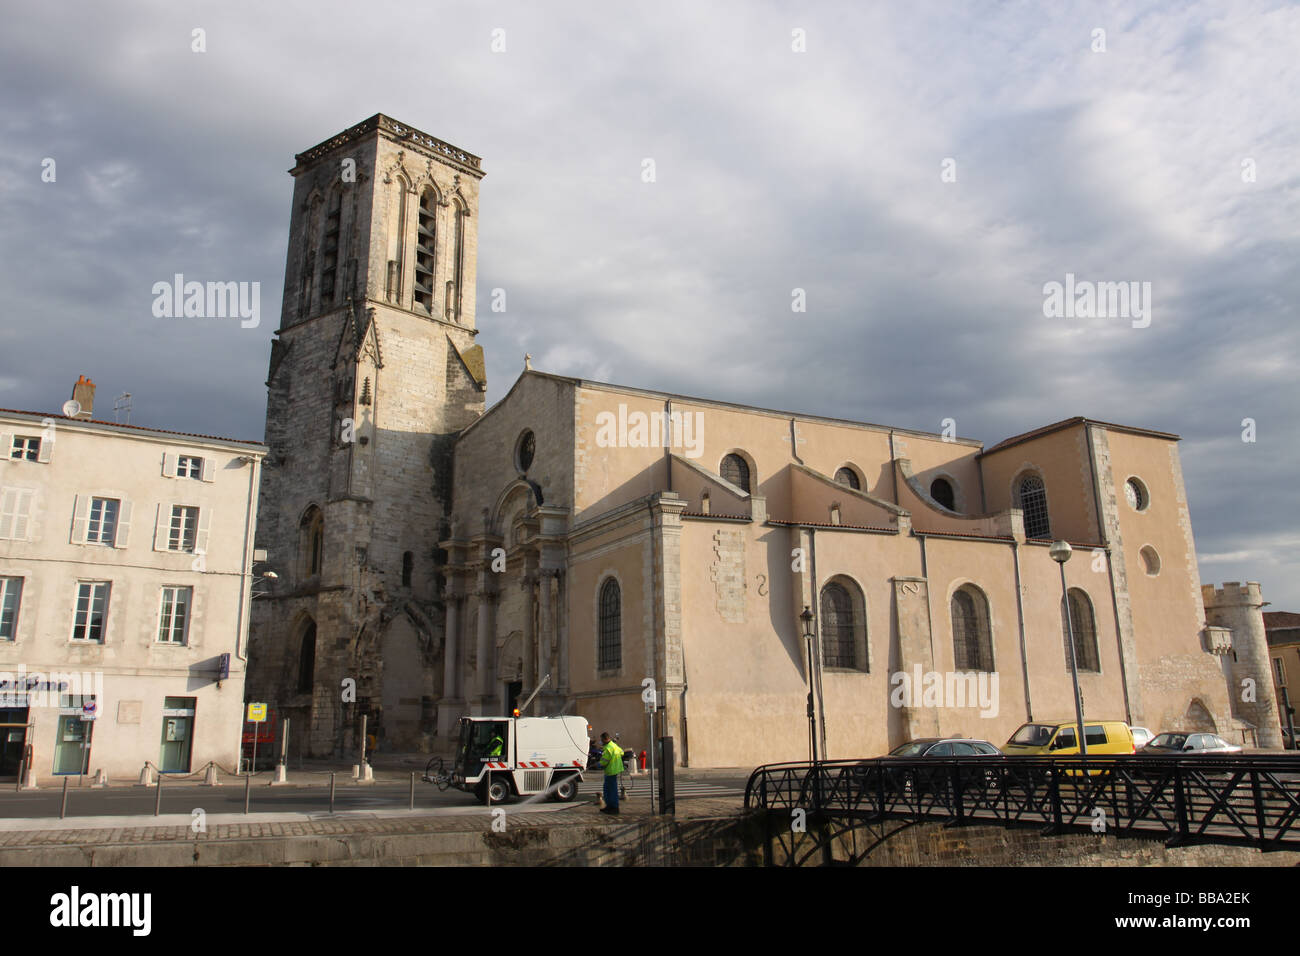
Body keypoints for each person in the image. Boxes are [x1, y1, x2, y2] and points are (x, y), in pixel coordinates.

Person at [598, 732, 624, 814]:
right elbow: (622, 752)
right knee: (610, 789)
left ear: (605, 739)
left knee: (610, 790)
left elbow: (604, 761)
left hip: (610, 771)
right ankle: (610, 806)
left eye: (601, 739)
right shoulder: (614, 745)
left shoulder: (608, 748)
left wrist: (599, 764)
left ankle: (613, 808)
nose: (601, 741)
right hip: (615, 770)